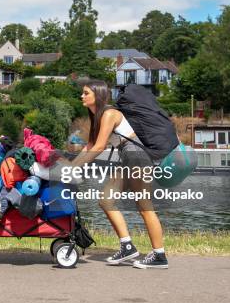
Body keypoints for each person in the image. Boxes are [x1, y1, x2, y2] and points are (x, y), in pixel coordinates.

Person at [71, 80, 168, 269]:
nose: (81, 96)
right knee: (106, 200)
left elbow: (99, 147)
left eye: (85, 93)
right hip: (128, 157)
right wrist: (71, 165)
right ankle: (127, 246)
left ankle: (159, 255)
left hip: (136, 156)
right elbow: (90, 146)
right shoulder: (97, 116)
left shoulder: (109, 114)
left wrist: (75, 167)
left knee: (144, 205)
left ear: (97, 95)